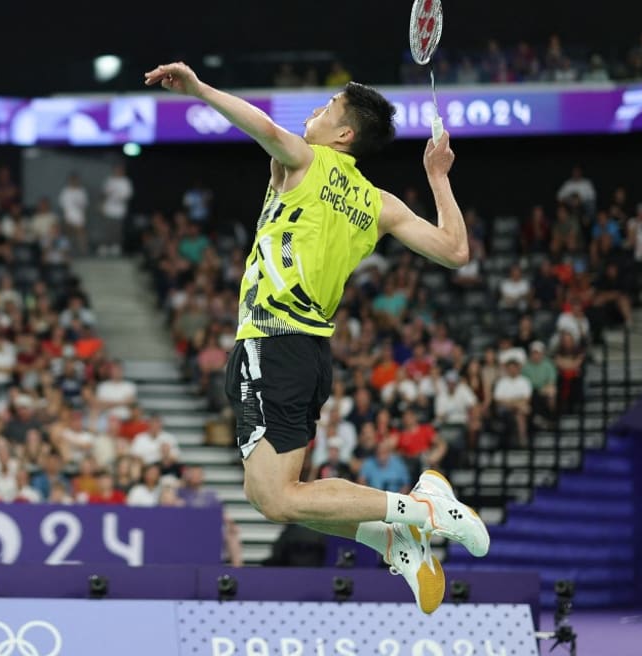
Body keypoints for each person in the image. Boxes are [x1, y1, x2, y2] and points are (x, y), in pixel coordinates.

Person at [145, 61, 488, 614]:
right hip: (306, 353)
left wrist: (200, 89)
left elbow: (262, 126)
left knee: (278, 496)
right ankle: (387, 538)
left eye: (327, 109)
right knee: (268, 495)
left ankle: (421, 509)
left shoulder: (302, 161)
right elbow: (455, 250)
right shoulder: (379, 203)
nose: (315, 113)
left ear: (344, 134)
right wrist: (439, 178)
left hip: (274, 343)